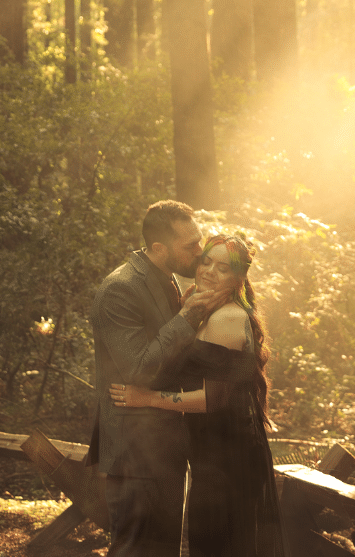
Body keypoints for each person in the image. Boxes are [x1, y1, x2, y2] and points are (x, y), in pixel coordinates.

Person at [109, 234, 284, 557]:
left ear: (238, 278)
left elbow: (212, 399)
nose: (209, 272)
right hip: (212, 454)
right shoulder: (205, 309)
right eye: (206, 262)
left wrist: (147, 398)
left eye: (222, 268)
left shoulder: (227, 317)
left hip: (233, 457)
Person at [90, 200, 232, 557]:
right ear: (158, 248)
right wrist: (188, 316)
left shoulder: (165, 278)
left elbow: (175, 357)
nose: (200, 254)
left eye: (199, 241)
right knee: (135, 551)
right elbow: (138, 370)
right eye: (191, 246)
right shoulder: (118, 289)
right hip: (135, 452)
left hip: (166, 447)